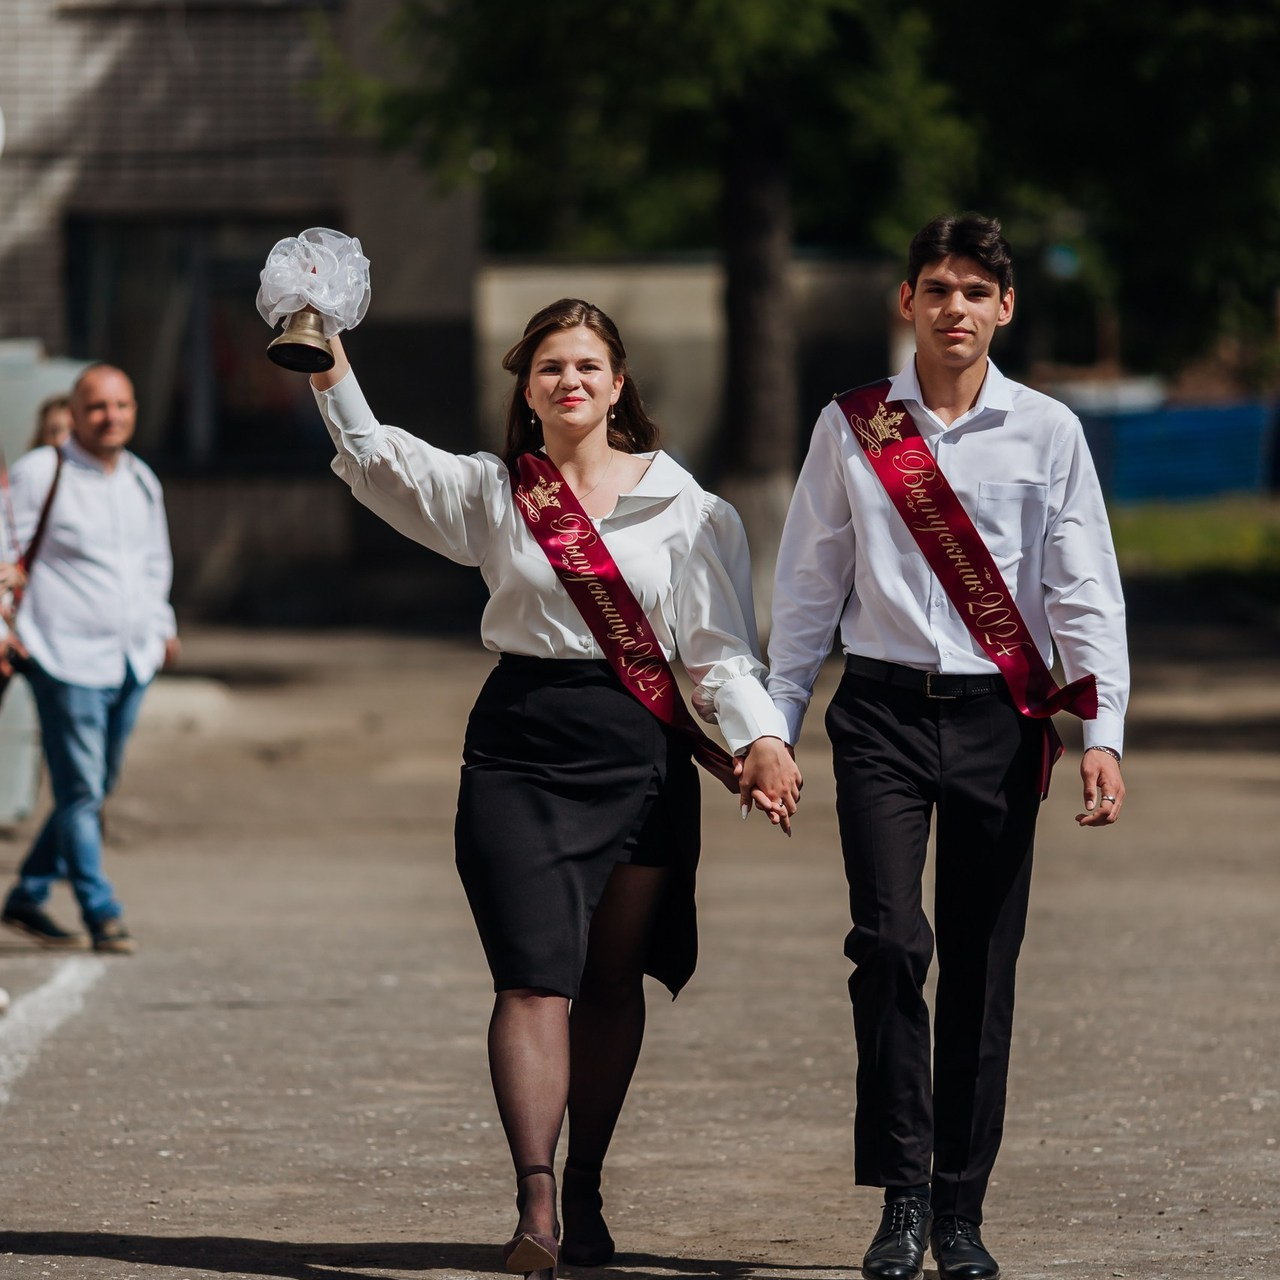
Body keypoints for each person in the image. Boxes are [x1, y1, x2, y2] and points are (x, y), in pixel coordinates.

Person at [307, 298, 802, 1279]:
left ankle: (585, 1182)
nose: (567, 381)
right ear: (524, 390)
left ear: (618, 384)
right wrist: (326, 362)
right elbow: (378, 460)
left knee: (609, 981)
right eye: (547, 368)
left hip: (639, 756)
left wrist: (762, 739)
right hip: (519, 748)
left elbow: (714, 652)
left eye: (586, 365)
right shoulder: (496, 492)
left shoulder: (691, 508)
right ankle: (534, 1196)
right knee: (533, 972)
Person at [767, 213, 1129, 1280]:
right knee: (886, 941)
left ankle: (960, 1208)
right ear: (906, 302)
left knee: (980, 963)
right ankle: (901, 1189)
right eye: (936, 288)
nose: (954, 307)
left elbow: (1080, 587)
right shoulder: (853, 425)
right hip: (877, 711)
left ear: (1003, 307)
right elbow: (803, 588)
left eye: (975, 290)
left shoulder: (1047, 430)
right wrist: (770, 729)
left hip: (999, 721)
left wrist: (1098, 729)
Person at [0, 364, 179, 956]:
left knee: (95, 784)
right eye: (98, 407)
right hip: (63, 656)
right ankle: (102, 911)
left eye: (122, 406)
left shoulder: (141, 481)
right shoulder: (40, 473)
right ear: (74, 414)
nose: (112, 418)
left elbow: (155, 563)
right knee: (81, 791)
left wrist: (161, 629)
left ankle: (26, 894)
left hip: (130, 659)